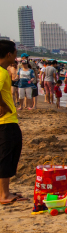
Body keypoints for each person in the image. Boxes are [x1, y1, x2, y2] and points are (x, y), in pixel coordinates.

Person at [0, 40, 24, 205]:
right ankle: (4, 194)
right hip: (6, 122)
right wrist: (5, 107)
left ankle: (4, 191)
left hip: (5, 121)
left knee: (5, 156)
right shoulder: (2, 72)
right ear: (9, 54)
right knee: (7, 156)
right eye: (15, 53)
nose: (16, 57)